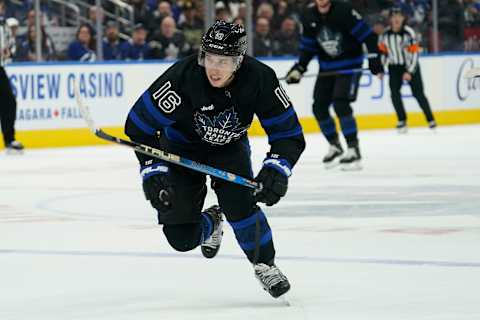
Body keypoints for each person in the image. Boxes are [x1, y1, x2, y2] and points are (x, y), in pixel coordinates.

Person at [124, 21, 305, 298]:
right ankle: (211, 221)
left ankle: (264, 264)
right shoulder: (181, 78)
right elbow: (139, 125)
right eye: (210, 58)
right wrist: (152, 169)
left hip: (229, 150)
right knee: (181, 239)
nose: (214, 68)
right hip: (180, 152)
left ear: (239, 61)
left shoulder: (259, 79)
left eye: (224, 61)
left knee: (242, 208)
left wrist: (277, 168)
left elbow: (288, 133)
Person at [285, 0, 384, 170]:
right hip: (327, 68)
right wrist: (299, 68)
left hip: (349, 66)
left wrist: (374, 58)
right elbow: (308, 47)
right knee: (319, 107)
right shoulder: (309, 16)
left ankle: (353, 149)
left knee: (341, 104)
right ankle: (335, 146)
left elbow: (368, 36)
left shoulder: (344, 11)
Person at [378, 6, 436, 133]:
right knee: (394, 94)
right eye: (393, 16)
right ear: (390, 19)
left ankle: (430, 119)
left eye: (399, 16)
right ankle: (402, 120)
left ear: (403, 18)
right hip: (394, 67)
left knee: (418, 94)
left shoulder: (409, 33)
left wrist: (409, 71)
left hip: (410, 65)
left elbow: (414, 54)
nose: (396, 19)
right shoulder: (385, 35)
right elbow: (383, 53)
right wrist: (380, 69)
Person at [0, 10, 24, 154]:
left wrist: (8, 51)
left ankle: (9, 139)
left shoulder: (4, 24)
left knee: (8, 102)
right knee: (8, 101)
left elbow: (11, 45)